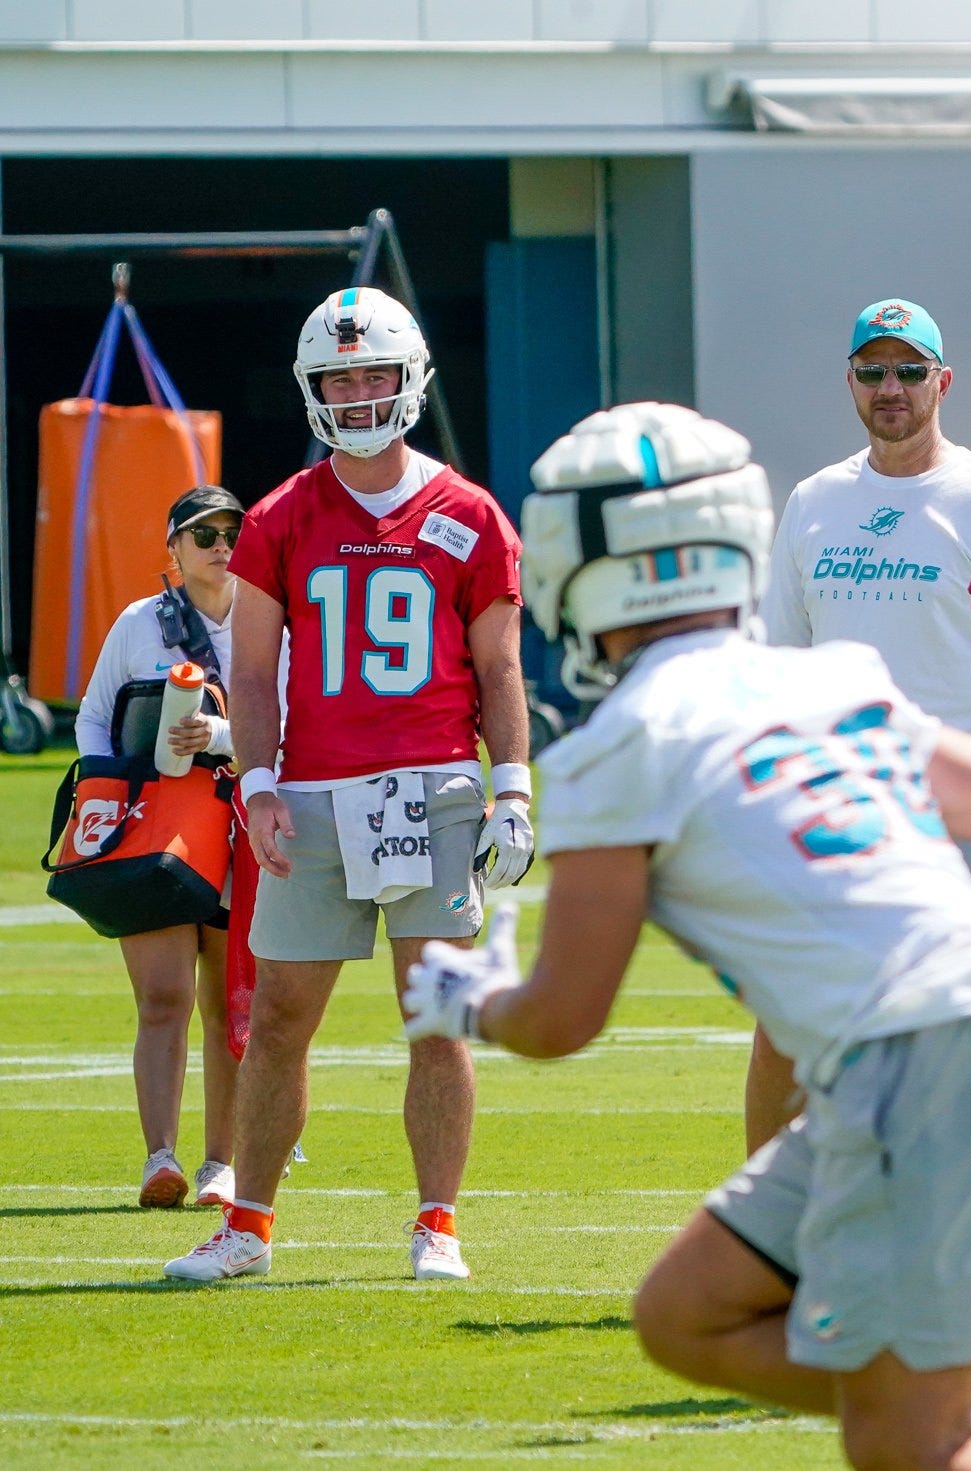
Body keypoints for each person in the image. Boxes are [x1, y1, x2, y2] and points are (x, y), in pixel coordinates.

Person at [401, 401, 971, 1471]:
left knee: (904, 1447)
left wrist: (472, 1000)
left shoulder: (612, 751)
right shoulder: (830, 680)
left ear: (572, 561)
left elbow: (561, 1020)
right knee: (685, 1312)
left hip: (925, 1061)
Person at [165, 286, 533, 1284]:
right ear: (311, 387)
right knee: (280, 1014)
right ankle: (248, 1225)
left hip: (435, 785)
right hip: (318, 793)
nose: (360, 392)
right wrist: (264, 781)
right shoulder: (281, 517)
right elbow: (251, 671)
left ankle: (438, 1222)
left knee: (435, 1012)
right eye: (339, 377)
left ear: (410, 377)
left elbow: (500, 669)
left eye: (374, 373)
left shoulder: (468, 513)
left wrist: (514, 788)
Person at [748, 297, 971, 1152]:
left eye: (910, 370)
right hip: (830, 799)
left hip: (951, 802)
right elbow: (782, 662)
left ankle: (922, 1217)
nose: (893, 387)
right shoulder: (813, 500)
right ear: (849, 382)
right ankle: (765, 1227)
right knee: (790, 1014)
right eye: (875, 371)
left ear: (943, 382)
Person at [76, 485, 246, 1210]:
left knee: (231, 1001)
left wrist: (223, 738)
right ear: (172, 549)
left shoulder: (275, 617)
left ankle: (222, 1166)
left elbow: (300, 722)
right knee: (163, 995)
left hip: (242, 819)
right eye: (201, 532)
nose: (219, 544)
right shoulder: (138, 623)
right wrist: (105, 800)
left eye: (231, 529)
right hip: (156, 825)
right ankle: (160, 1159)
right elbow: (90, 721)